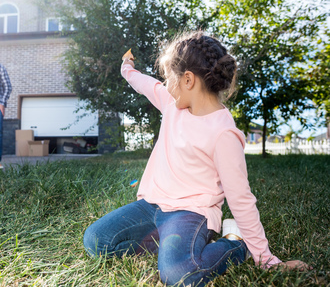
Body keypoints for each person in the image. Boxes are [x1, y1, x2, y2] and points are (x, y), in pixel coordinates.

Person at [83, 31, 311, 286]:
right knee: (96, 239)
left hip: (190, 213)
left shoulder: (223, 134)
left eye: (170, 77)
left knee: (179, 274)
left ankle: (236, 246)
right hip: (151, 206)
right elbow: (146, 84)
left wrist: (266, 259)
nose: (166, 85)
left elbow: (240, 199)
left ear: (188, 80)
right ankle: (166, 245)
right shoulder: (172, 104)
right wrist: (127, 68)